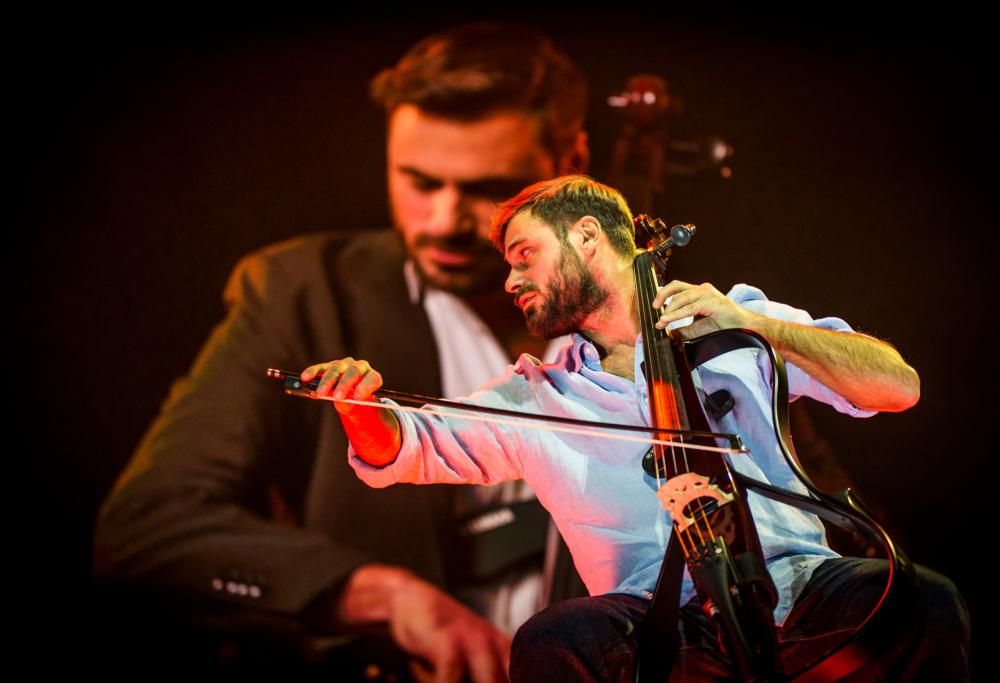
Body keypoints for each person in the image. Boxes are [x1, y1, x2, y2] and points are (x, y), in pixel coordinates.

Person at [307, 175, 970, 681]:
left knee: (926, 600)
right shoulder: (537, 394)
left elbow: (895, 385)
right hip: (654, 624)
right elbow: (409, 445)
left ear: (589, 237)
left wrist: (760, 329)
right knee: (551, 641)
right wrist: (361, 407)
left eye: (525, 254)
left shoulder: (734, 320)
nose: (510, 279)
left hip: (800, 587)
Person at [93, 23, 588, 679]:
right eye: (419, 181)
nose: (442, 220)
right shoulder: (303, 295)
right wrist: (381, 596)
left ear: (571, 163)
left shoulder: (647, 328)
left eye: (487, 188)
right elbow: (146, 527)